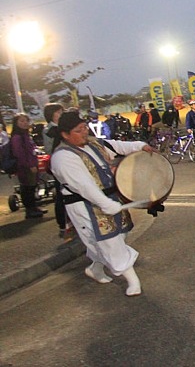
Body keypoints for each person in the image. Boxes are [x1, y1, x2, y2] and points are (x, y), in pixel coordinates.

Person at [51, 110, 157, 296]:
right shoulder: (62, 157)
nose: (84, 132)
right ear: (65, 134)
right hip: (85, 206)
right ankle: (133, 281)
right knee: (110, 242)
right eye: (78, 130)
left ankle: (95, 269)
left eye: (85, 127)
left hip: (107, 199)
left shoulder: (93, 143)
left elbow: (117, 146)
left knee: (116, 236)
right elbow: (84, 186)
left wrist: (140, 146)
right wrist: (106, 204)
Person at [10, 113, 47, 219]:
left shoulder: (26, 135)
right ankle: (30, 210)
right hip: (25, 167)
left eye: (26, 120)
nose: (25, 123)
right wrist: (30, 165)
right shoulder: (17, 137)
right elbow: (19, 154)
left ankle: (34, 207)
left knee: (32, 186)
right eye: (21, 121)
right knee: (27, 188)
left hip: (31, 164)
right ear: (16, 123)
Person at [43, 102, 66, 236]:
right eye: (58, 112)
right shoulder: (49, 130)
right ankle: (62, 224)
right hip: (58, 164)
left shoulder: (59, 128)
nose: (60, 115)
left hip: (65, 163)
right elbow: (49, 149)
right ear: (51, 115)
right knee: (61, 194)